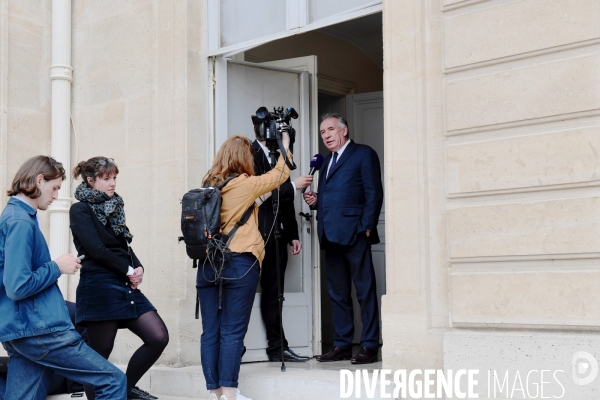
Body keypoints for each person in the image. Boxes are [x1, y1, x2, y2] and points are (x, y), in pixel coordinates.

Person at [0, 155, 127, 400]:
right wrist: (57, 267)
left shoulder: (16, 216)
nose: (57, 195)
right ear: (39, 180)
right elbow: (17, 286)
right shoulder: (19, 222)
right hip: (39, 331)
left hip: (23, 330)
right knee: (112, 381)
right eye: (55, 187)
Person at [198, 134, 292, 400]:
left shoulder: (207, 185)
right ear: (243, 158)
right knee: (232, 331)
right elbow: (280, 174)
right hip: (238, 263)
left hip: (207, 265)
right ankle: (229, 392)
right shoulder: (244, 184)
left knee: (211, 331)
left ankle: (215, 392)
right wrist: (285, 145)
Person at [69, 157, 169, 400]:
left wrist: (138, 266)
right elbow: (95, 249)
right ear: (90, 181)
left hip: (122, 282)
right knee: (99, 353)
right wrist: (126, 269)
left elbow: (123, 243)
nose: (112, 183)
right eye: (106, 179)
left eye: (114, 177)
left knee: (158, 337)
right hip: (99, 285)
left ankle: (124, 388)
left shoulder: (114, 205)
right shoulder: (80, 209)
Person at [303, 113, 383, 364]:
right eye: (322, 132)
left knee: (364, 291)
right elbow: (333, 196)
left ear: (344, 130)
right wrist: (316, 202)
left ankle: (369, 345)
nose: (325, 135)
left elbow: (374, 192)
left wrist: (367, 227)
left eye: (329, 130)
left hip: (356, 234)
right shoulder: (326, 162)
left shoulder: (363, 153)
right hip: (330, 235)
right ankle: (342, 344)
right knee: (338, 293)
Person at [251, 125, 312, 362]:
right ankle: (238, 349)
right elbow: (257, 195)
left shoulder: (280, 158)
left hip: (278, 235)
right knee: (243, 294)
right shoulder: (248, 153)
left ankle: (278, 348)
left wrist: (292, 234)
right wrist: (293, 186)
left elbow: (286, 202)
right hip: (254, 237)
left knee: (275, 293)